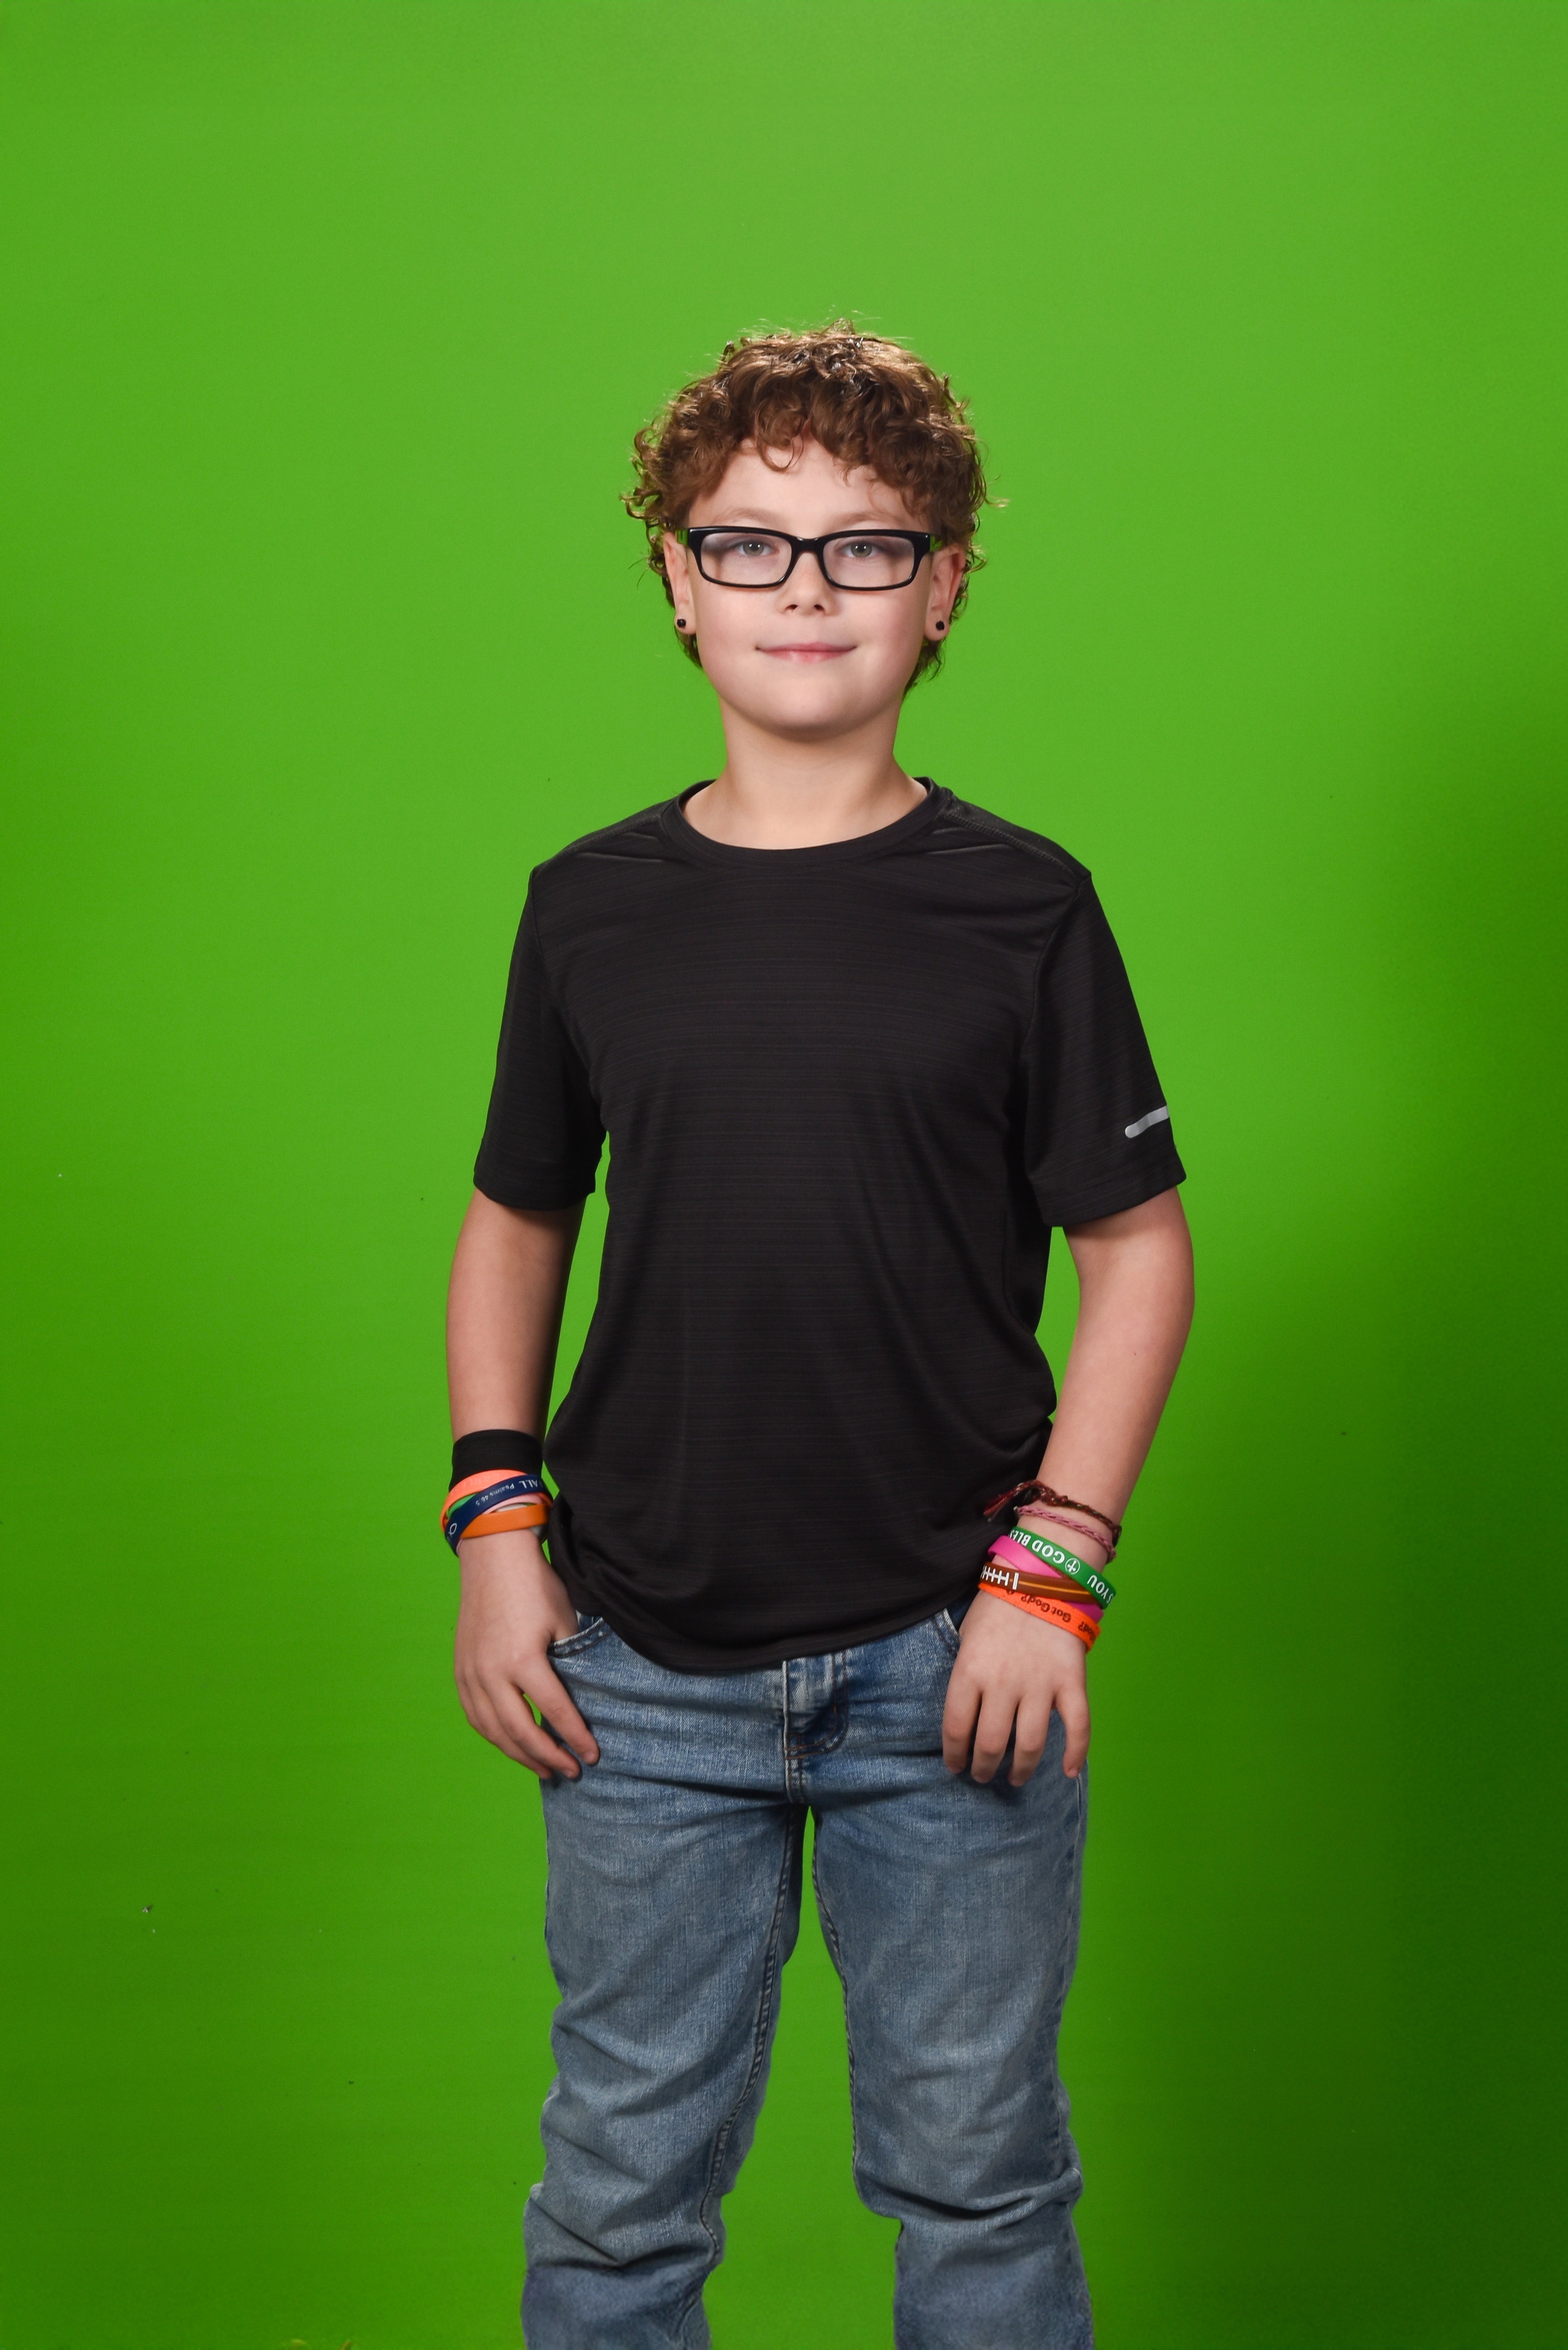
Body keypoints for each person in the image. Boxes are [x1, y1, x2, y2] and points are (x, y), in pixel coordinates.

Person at [443, 323, 1193, 2350]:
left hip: (956, 1658)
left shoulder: (1025, 906)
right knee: (618, 2191)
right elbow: (518, 1215)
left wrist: (1053, 1571)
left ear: (943, 586)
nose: (805, 587)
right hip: (635, 1664)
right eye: (750, 544)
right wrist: (495, 1524)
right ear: (676, 579)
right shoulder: (587, 905)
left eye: (867, 546)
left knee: (980, 2171)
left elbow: (1138, 1252)